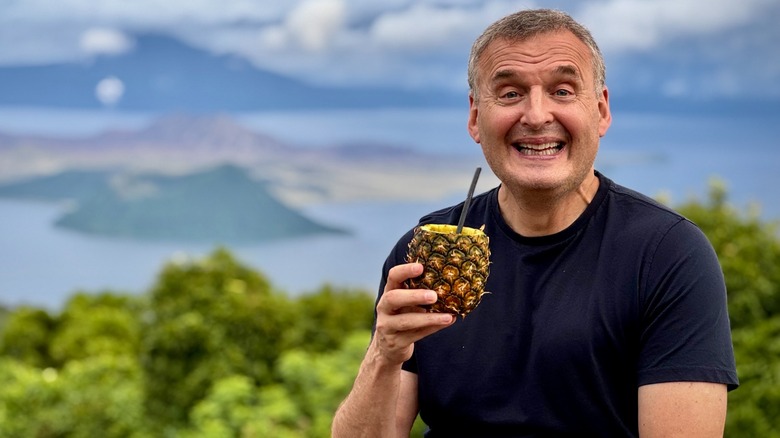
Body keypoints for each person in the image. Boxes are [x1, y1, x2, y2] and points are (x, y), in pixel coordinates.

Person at [332, 8, 738, 437]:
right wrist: (384, 354)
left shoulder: (667, 255)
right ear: (475, 117)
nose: (537, 115)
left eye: (563, 91)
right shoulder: (423, 253)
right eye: (509, 94)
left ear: (600, 111)